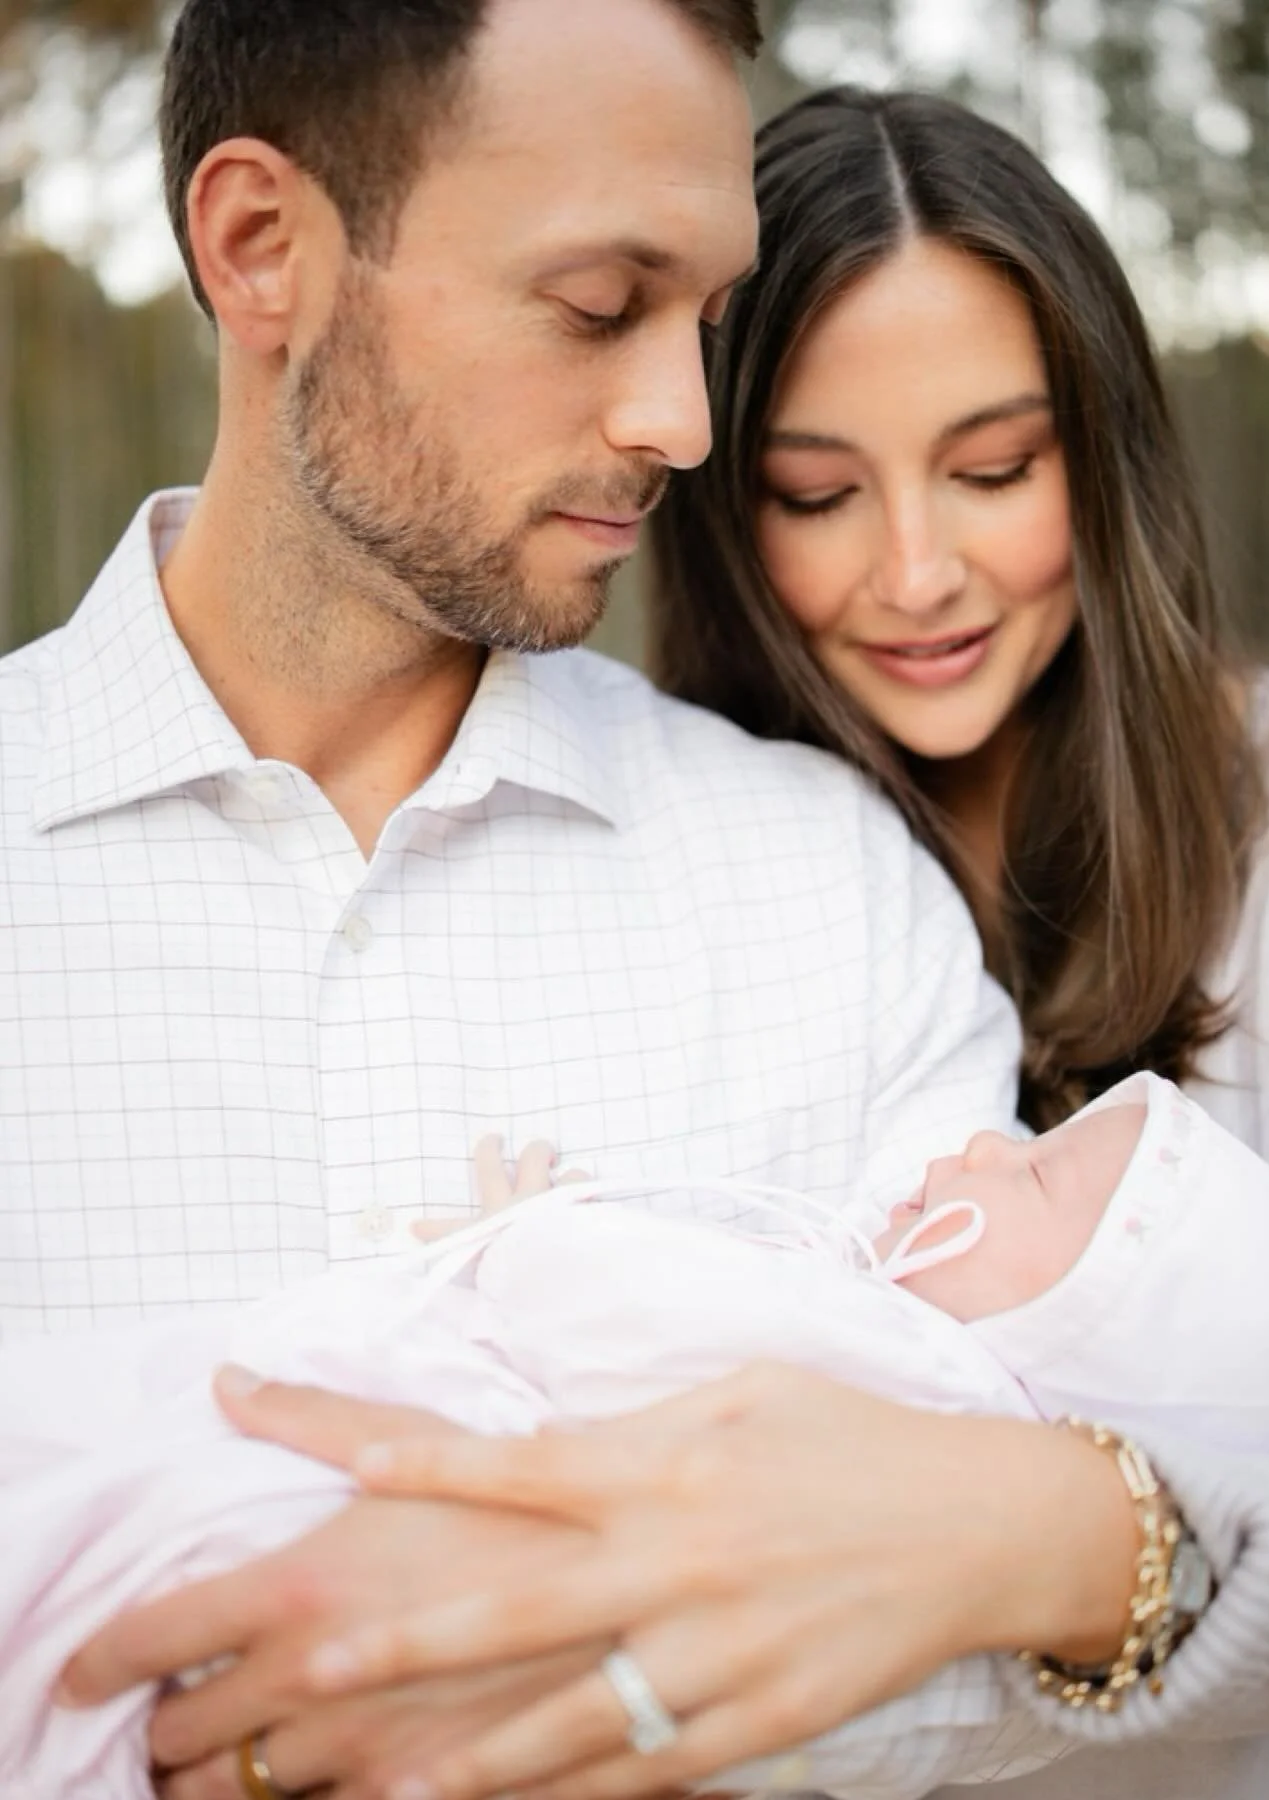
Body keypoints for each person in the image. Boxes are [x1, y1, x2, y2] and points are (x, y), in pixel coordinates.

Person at [102, 87, 1269, 1800]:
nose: (918, 572)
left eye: (995, 472)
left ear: (1105, 460)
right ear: (723, 513)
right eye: (817, 494)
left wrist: (1030, 1531)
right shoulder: (710, 855)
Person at [0, 8, 1051, 1793]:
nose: (684, 425)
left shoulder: (835, 900)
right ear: (260, 245)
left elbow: (1013, 1615)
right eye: (596, 306)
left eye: (704, 322)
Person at [16, 1078, 1269, 1798]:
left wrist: (544, 1235)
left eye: (1039, 1177)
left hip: (360, 1492)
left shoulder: (913, 1375)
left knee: (111, 1513)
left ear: (1090, 1325)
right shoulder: (902, 1362)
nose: (983, 1149)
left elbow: (636, 1319)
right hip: (405, 1517)